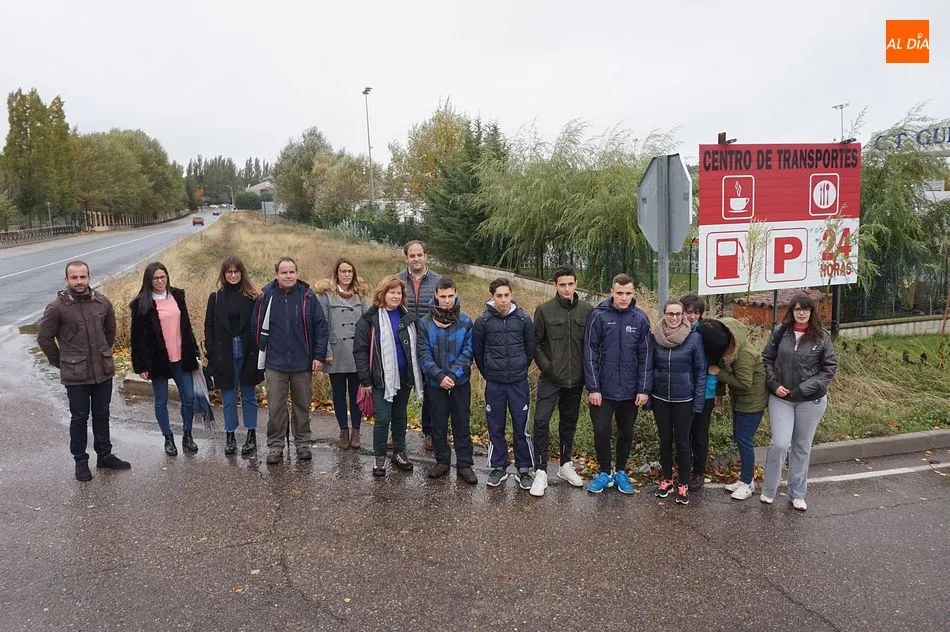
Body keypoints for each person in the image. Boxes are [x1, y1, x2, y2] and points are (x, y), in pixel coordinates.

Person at [37, 260, 131, 481]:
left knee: (102, 414)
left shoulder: (102, 302)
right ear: (67, 280)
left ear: (89, 277)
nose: (79, 281)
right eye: (74, 277)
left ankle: (105, 455)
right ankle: (80, 460)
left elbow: (110, 332)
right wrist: (61, 361)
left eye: (83, 277)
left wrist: (103, 353)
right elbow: (44, 338)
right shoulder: (57, 307)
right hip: (76, 375)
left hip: (102, 371)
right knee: (79, 417)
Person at [761, 293, 838, 511]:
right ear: (791, 312)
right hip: (781, 398)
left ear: (812, 312)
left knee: (802, 446)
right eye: (797, 309)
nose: (801, 313)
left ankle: (797, 493)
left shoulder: (822, 337)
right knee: (780, 444)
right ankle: (769, 490)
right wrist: (774, 384)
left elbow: (829, 369)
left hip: (810, 401)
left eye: (805, 309)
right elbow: (767, 358)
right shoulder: (780, 332)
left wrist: (803, 389)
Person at [252, 256, 328, 465]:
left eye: (292, 272)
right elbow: (255, 327)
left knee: (302, 405)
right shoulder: (266, 296)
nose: (288, 276)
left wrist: (318, 356)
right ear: (276, 274)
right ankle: (275, 446)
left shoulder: (308, 297)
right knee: (275, 407)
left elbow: (321, 328)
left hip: (302, 363)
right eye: (284, 272)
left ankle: (302, 443)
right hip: (275, 363)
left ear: (297, 273)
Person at [583, 273, 651, 495]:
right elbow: (590, 352)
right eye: (619, 293)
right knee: (601, 431)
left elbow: (646, 356)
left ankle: (621, 471)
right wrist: (593, 387)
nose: (624, 297)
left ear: (633, 294)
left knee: (626, 432)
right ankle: (604, 472)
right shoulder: (598, 316)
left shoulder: (640, 319)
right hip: (603, 391)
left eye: (628, 293)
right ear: (611, 292)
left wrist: (643, 388)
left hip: (631, 392)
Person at [529, 265, 593, 497]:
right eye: (562, 284)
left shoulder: (587, 310)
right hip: (550, 379)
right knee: (541, 421)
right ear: (555, 285)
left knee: (569, 422)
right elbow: (535, 343)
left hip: (576, 379)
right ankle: (541, 471)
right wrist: (548, 367)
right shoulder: (545, 310)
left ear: (576, 284)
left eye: (570, 284)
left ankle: (565, 465)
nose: (566, 288)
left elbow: (591, 344)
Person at [353, 276, 425, 477]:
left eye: (398, 293)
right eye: (391, 292)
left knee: (400, 416)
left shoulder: (408, 318)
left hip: (404, 377)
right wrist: (365, 380)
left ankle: (399, 452)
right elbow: (360, 350)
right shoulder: (369, 319)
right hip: (380, 379)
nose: (395, 296)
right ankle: (380, 457)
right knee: (383, 418)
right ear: (382, 294)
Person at [131, 262, 202, 456]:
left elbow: (186, 326)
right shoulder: (141, 303)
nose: (160, 281)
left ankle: (187, 435)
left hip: (181, 356)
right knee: (161, 400)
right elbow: (137, 338)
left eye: (163, 277)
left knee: (188, 397)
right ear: (149, 280)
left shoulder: (177, 295)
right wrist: (141, 365)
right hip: (158, 359)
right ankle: (168, 438)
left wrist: (194, 350)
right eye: (156, 278)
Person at [472, 277, 535, 490]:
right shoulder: (483, 321)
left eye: (507, 295)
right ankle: (498, 467)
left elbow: (530, 349)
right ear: (492, 297)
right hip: (495, 384)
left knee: (521, 427)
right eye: (499, 296)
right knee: (495, 427)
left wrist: (518, 369)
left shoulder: (524, 319)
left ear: (512, 295)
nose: (503, 300)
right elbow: (478, 353)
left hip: (518, 383)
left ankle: (524, 469)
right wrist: (489, 372)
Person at [697, 318, 769, 501]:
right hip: (741, 402)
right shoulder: (733, 348)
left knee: (744, 439)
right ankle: (746, 479)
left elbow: (744, 383)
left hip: (752, 403)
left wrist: (718, 373)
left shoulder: (744, 354)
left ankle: (747, 484)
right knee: (739, 437)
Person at [416, 277, 478, 484]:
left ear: (456, 294)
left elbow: (469, 352)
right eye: (442, 297)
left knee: (462, 422)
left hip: (459, 382)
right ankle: (442, 460)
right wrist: (439, 376)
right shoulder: (424, 323)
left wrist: (452, 375)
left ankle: (464, 464)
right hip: (436, 383)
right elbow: (423, 354)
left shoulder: (466, 322)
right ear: (435, 296)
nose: (447, 301)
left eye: (450, 296)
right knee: (438, 424)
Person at [204, 256, 263, 457]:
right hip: (224, 351)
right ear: (223, 274)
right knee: (228, 396)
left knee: (249, 395)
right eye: (229, 272)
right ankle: (230, 435)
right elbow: (209, 326)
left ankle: (251, 435)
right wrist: (211, 352)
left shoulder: (252, 297)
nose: (233, 275)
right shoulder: (216, 297)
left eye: (236, 271)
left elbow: (259, 325)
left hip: (248, 350)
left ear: (242, 273)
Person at [649, 299, 705, 505]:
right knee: (665, 440)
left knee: (682, 442)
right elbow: (648, 366)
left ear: (683, 316)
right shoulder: (654, 336)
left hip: (685, 399)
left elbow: (700, 371)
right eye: (670, 314)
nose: (674, 318)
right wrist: (648, 394)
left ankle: (682, 482)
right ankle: (666, 480)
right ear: (664, 314)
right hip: (660, 398)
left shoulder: (694, 338)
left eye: (677, 314)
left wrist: (698, 401)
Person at [316, 257, 367, 450]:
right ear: (336, 273)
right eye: (343, 271)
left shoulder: (361, 295)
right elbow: (322, 326)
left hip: (356, 353)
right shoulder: (326, 296)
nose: (346, 274)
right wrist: (325, 351)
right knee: (338, 394)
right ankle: (343, 430)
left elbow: (368, 324)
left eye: (350, 271)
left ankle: (356, 431)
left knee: (356, 393)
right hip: (336, 353)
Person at [397, 240, 442, 451]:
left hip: (429, 344)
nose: (416, 259)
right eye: (412, 256)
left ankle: (429, 432)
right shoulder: (396, 281)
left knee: (431, 391)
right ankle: (397, 432)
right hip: (403, 344)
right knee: (400, 390)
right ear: (406, 257)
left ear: (426, 256)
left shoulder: (439, 282)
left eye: (420, 255)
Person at [681, 294, 718, 491]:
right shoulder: (678, 332)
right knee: (683, 434)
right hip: (683, 393)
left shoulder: (706, 334)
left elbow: (715, 362)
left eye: (696, 313)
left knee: (700, 434)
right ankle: (683, 469)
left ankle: (699, 472)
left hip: (704, 393)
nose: (692, 316)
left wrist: (710, 390)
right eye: (689, 312)